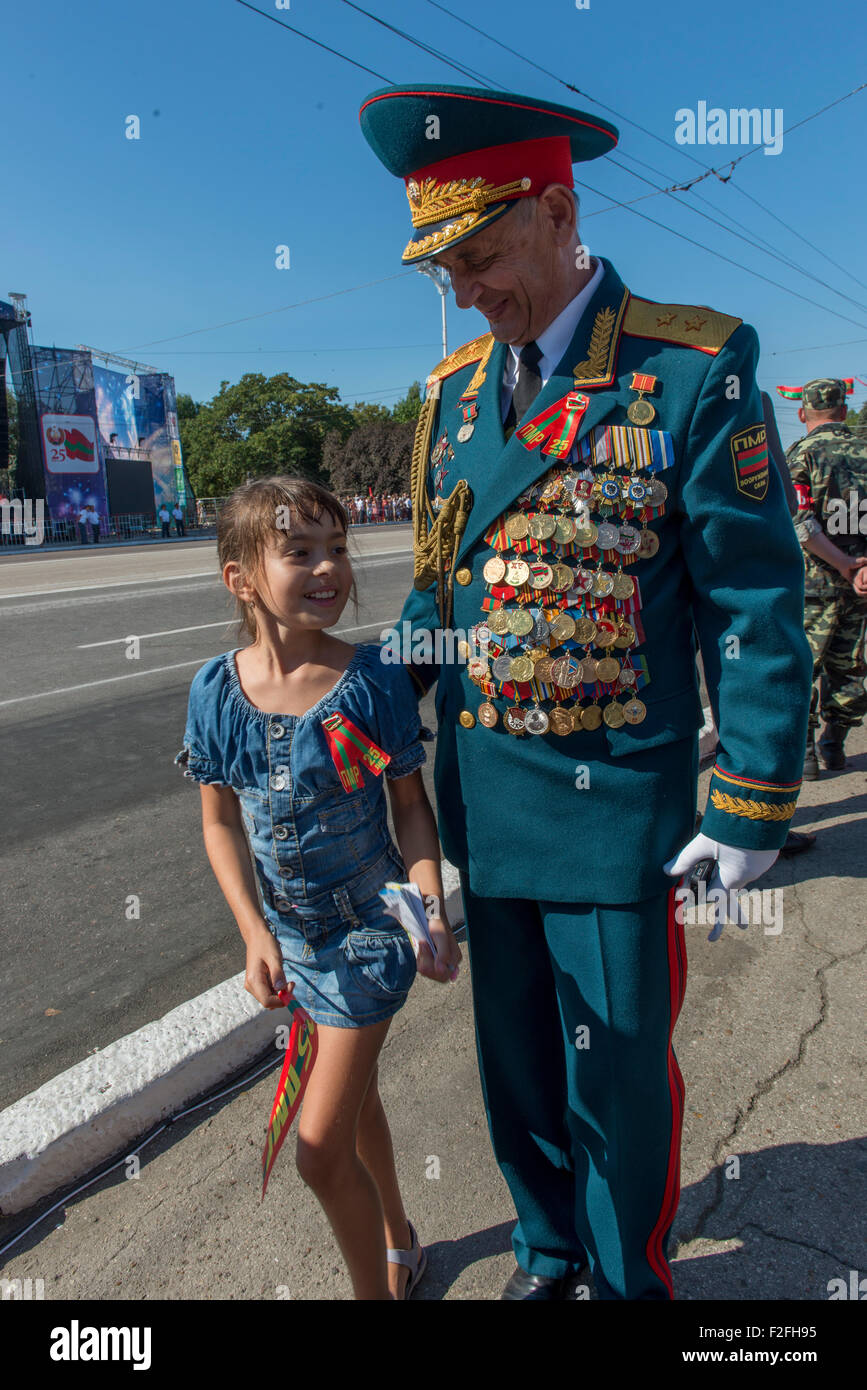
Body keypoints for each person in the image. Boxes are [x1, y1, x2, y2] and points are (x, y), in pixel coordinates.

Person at [360, 83, 813, 1301]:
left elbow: (752, 603)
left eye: (483, 254)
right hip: (489, 803)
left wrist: (752, 800)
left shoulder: (688, 366)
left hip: (615, 808)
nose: (465, 288)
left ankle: (623, 1282)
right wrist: (359, 702)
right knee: (514, 1072)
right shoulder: (456, 395)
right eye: (446, 265)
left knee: (610, 1077)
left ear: (559, 212)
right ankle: (547, 1254)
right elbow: (443, 600)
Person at [173, 475, 462, 1300]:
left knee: (317, 1148)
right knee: (357, 1102)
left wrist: (429, 913)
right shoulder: (214, 691)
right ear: (240, 577)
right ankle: (399, 1238)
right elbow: (219, 822)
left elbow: (410, 810)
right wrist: (254, 933)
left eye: (337, 548)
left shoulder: (370, 682)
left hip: (369, 938)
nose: (327, 568)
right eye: (298, 551)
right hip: (294, 945)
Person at [786, 379, 867, 778]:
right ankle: (834, 744)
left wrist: (838, 562)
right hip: (862, 582)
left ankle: (806, 758)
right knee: (851, 664)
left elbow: (800, 520)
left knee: (803, 666)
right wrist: (858, 566)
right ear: (845, 411)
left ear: (802, 413)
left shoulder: (801, 455)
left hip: (815, 583)